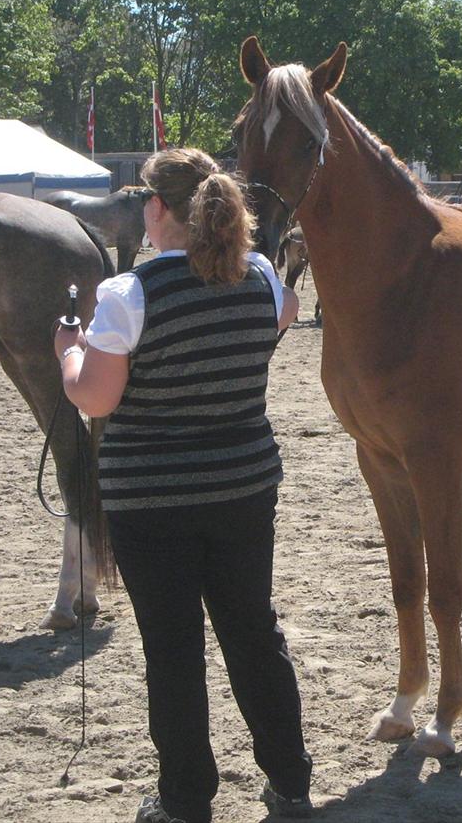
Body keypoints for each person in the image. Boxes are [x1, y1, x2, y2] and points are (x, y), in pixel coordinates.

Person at [52, 148, 311, 823]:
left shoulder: (128, 295)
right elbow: (282, 314)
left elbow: (96, 399)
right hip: (244, 487)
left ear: (159, 209)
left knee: (173, 649)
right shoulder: (257, 274)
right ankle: (290, 781)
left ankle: (186, 799)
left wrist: (69, 354)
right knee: (255, 634)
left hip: (151, 499)